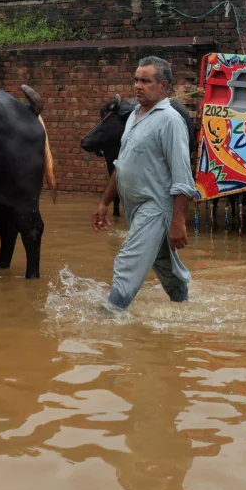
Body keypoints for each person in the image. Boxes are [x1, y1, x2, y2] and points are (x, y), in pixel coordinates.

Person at [92, 56, 194, 310]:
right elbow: (122, 164)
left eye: (146, 81)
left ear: (163, 86)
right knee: (166, 266)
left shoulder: (170, 121)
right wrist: (104, 202)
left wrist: (178, 222)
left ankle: (108, 318)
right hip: (135, 207)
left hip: (155, 207)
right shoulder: (134, 116)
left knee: (129, 262)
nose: (138, 85)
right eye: (136, 79)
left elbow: (183, 176)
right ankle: (186, 311)